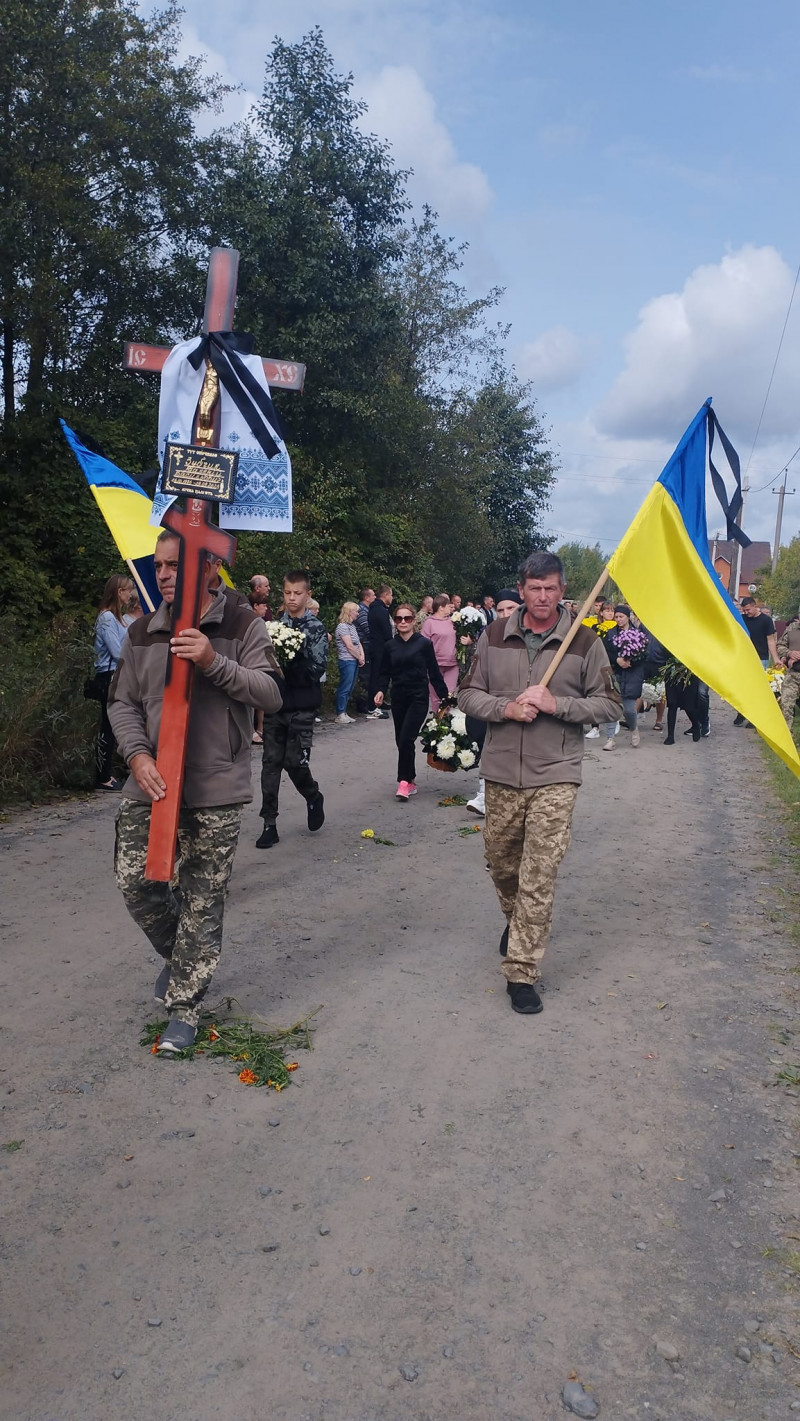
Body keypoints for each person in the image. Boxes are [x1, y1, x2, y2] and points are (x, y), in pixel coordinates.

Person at [108, 532, 283, 1054]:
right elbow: (122, 703)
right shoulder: (143, 630)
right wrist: (138, 756)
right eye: (157, 566)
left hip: (214, 784)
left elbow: (270, 694)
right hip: (152, 783)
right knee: (135, 883)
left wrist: (212, 661)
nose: (162, 574)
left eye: (173, 565)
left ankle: (185, 1006)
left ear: (209, 567)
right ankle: (182, 954)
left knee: (204, 898)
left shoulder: (241, 623)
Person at [459, 551, 621, 1015]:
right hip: (502, 771)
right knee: (502, 864)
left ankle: (522, 971)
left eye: (552, 588)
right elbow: (467, 693)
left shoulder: (584, 642)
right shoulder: (494, 636)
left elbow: (609, 705)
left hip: (557, 773)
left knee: (539, 873)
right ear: (522, 588)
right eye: (535, 588)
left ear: (562, 590)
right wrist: (506, 708)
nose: (544, 596)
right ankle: (518, 922)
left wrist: (558, 705)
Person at [257, 571, 329, 848]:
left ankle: (313, 795)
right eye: (287, 593)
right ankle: (269, 823)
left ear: (307, 595)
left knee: (294, 761)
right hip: (277, 704)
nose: (291, 598)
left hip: (302, 705)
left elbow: (318, 669)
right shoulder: (275, 626)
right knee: (270, 763)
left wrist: (294, 657)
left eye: (297, 593)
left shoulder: (316, 627)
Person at [374, 604, 449, 799]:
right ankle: (412, 779)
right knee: (401, 740)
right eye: (399, 619)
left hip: (418, 697)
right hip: (399, 697)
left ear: (414, 621)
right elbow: (384, 672)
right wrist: (381, 690)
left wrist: (445, 697)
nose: (403, 622)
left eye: (407, 618)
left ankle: (403, 782)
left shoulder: (423, 644)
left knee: (407, 738)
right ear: (395, 622)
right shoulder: (390, 645)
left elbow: (433, 672)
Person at [465, 588, 522, 817]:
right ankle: (483, 795)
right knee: (485, 745)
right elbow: (476, 670)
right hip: (492, 704)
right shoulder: (488, 635)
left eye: (511, 608)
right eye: (500, 610)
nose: (505, 614)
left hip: (520, 706)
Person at [93, 574, 135, 790]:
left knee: (118, 723)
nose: (130, 594)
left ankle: (115, 769)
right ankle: (103, 776)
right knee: (108, 726)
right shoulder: (107, 618)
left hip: (118, 673)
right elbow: (117, 651)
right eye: (128, 590)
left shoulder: (120, 618)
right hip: (109, 674)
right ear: (119, 592)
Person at [603, 605, 647, 750]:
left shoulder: (638, 634)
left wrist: (630, 661)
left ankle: (633, 729)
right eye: (616, 617)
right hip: (615, 673)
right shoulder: (610, 634)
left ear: (628, 617)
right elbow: (606, 652)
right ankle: (610, 738)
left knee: (629, 709)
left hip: (632, 674)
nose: (618, 619)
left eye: (621, 616)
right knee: (612, 706)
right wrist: (617, 660)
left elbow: (644, 654)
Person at [734, 597, 778, 726]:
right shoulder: (742, 619)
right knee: (743, 687)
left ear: (754, 606)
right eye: (744, 610)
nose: (746, 612)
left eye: (748, 610)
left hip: (761, 657)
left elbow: (770, 640)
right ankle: (741, 713)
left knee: (757, 688)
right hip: (745, 658)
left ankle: (754, 718)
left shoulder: (766, 620)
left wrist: (775, 658)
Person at [420, 593, 459, 710]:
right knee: (436, 697)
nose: (451, 609)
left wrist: (467, 640)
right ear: (441, 607)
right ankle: (437, 723)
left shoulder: (453, 621)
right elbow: (424, 644)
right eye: (448, 606)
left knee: (449, 695)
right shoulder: (429, 623)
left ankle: (446, 722)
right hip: (435, 666)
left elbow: (462, 636)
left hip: (452, 664)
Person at [335, 601, 365, 724]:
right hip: (347, 660)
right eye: (356, 611)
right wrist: (359, 657)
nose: (358, 613)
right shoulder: (342, 626)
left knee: (350, 687)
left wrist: (362, 655)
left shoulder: (352, 626)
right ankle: (340, 712)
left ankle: (344, 711)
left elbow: (358, 643)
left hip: (354, 659)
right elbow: (349, 646)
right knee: (345, 687)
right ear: (349, 611)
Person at [367, 585, 394, 718]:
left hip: (376, 647)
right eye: (391, 595)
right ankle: (373, 706)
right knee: (377, 676)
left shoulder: (374, 609)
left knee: (380, 675)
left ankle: (379, 700)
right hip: (380, 648)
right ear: (386, 595)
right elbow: (386, 631)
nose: (392, 598)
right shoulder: (381, 610)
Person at [777, 609, 800, 727]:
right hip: (793, 674)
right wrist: (789, 653)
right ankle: (787, 740)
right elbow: (780, 645)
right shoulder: (792, 628)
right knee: (786, 706)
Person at [354, 587, 375, 714]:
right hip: (363, 646)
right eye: (372, 595)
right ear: (366, 598)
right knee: (364, 675)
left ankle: (369, 702)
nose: (374, 597)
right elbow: (368, 629)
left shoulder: (367, 610)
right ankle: (363, 704)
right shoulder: (361, 611)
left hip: (366, 645)